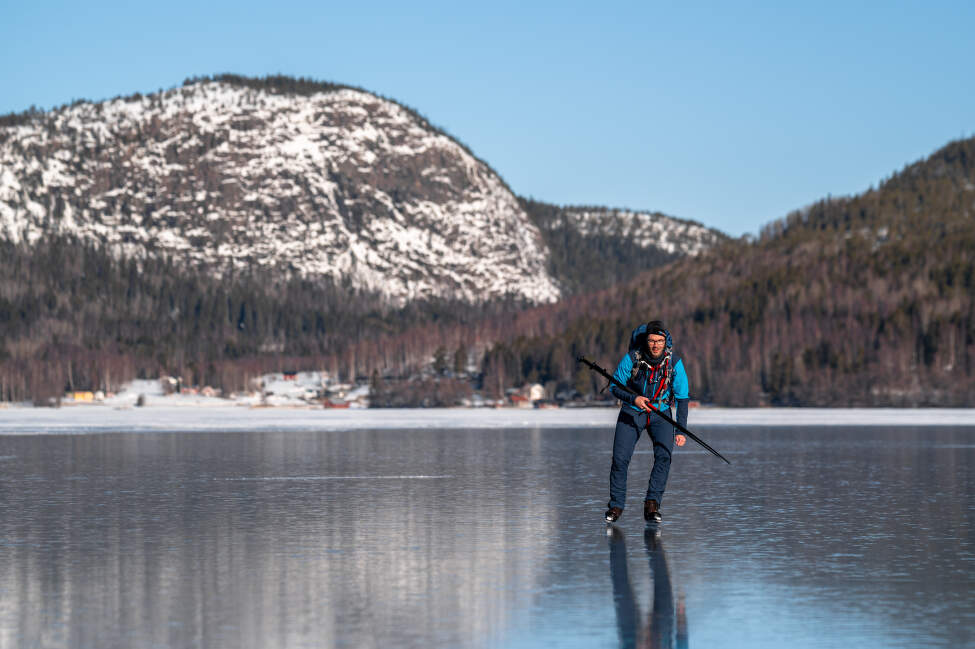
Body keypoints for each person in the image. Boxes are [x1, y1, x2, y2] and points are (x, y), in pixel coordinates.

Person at [604, 320, 689, 524]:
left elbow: (682, 397)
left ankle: (652, 504)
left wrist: (681, 430)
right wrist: (634, 398)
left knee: (664, 456)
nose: (655, 345)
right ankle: (616, 506)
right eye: (652, 340)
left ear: (665, 342)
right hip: (632, 411)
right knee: (620, 459)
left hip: (661, 414)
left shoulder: (674, 363)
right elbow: (614, 386)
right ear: (646, 341)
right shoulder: (632, 358)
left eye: (659, 341)